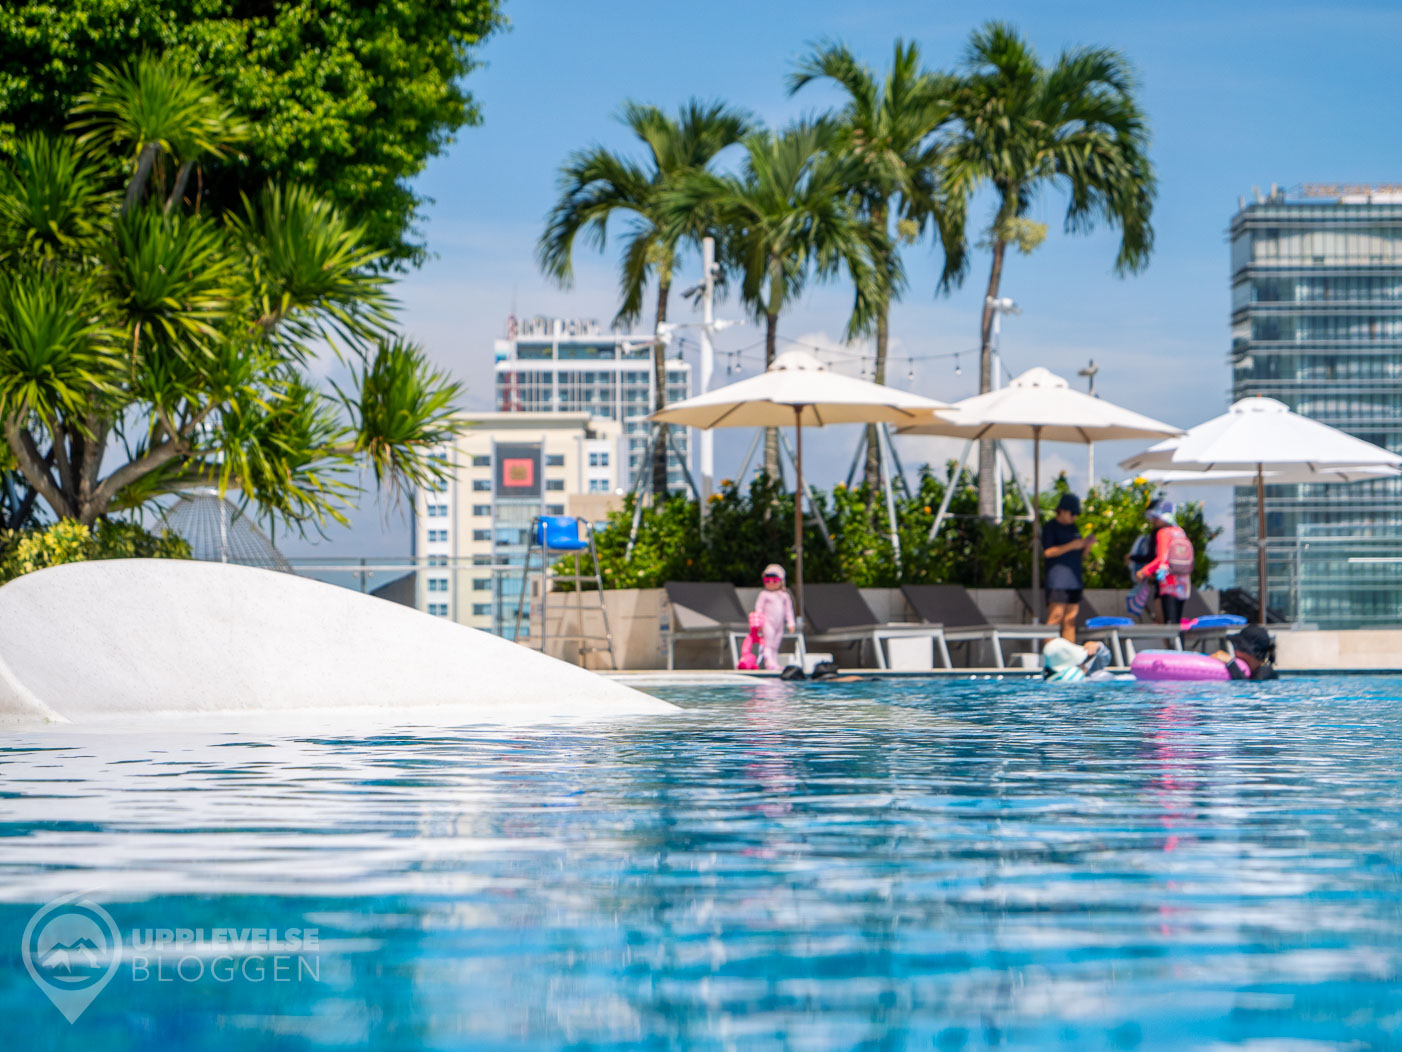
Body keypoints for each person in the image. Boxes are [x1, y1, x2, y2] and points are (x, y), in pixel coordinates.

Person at [1042, 493, 1096, 642]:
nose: (1074, 517)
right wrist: (1072, 545)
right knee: (1055, 617)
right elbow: (1047, 552)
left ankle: (1069, 657)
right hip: (1057, 579)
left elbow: (1081, 556)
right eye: (1073, 513)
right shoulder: (1050, 527)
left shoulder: (1074, 528)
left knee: (1070, 621)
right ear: (1063, 510)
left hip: (1074, 580)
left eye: (1077, 514)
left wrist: (1088, 545)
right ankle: (1049, 657)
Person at [1136, 500, 1193, 625]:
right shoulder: (1180, 531)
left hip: (1169, 583)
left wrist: (1144, 571)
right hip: (1183, 582)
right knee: (1177, 621)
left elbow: (1162, 558)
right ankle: (1179, 644)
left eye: (1156, 517)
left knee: (1170, 623)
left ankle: (1174, 645)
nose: (1154, 520)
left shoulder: (1163, 533)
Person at [753, 563, 796, 671]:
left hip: (779, 624)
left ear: (781, 581)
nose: (771, 583)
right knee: (768, 643)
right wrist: (758, 623)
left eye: (774, 580)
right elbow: (758, 608)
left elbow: (788, 611)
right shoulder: (764, 594)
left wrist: (791, 623)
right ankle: (769, 663)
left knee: (776, 643)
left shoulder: (784, 596)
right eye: (767, 580)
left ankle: (774, 662)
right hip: (767, 622)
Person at [1213, 624, 1280, 681]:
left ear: (1249, 652)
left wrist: (1230, 663)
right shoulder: (1258, 672)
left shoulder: (1265, 672)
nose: (1235, 652)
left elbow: (1248, 690)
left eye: (1237, 648)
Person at [1042, 638, 1114, 682]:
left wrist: (1098, 646)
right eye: (1082, 661)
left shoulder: (1048, 679)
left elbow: (1105, 659)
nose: (1085, 663)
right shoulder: (1096, 676)